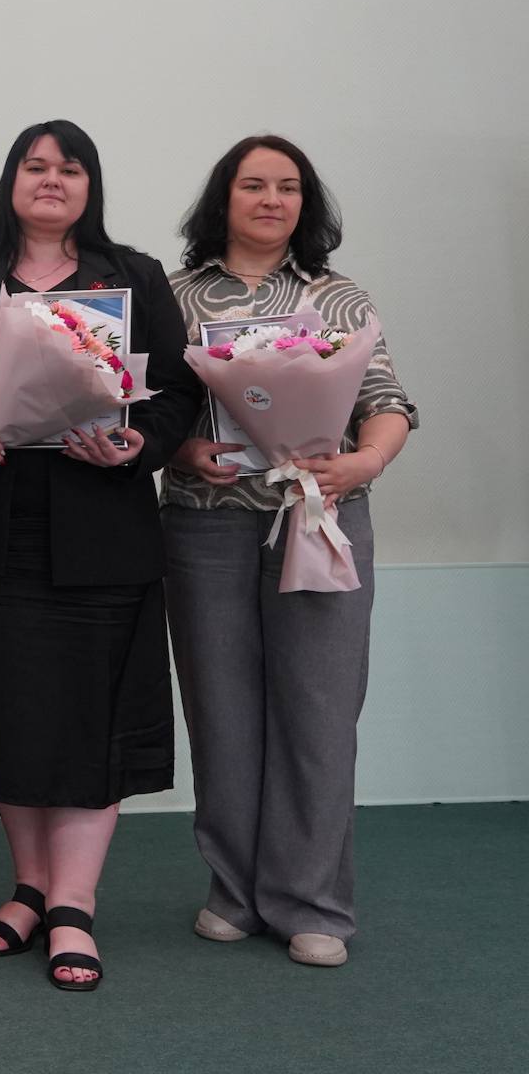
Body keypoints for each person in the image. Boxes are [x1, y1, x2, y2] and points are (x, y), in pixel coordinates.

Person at [0, 120, 200, 992]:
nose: (51, 180)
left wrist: (138, 443)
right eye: (35, 166)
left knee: (87, 717)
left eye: (70, 169)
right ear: (11, 180)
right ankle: (29, 887)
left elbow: (179, 391)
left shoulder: (132, 276)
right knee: (13, 713)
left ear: (89, 186)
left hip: (98, 525)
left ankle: (75, 902)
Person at [162, 135, 416, 968]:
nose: (272, 200)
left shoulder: (338, 298)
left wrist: (364, 462)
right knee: (222, 712)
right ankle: (235, 892)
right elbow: (147, 410)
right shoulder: (176, 296)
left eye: (288, 187)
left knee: (319, 711)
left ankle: (312, 902)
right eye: (253, 185)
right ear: (223, 198)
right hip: (205, 525)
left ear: (305, 203)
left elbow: (386, 402)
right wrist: (181, 451)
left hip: (320, 520)